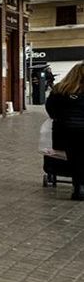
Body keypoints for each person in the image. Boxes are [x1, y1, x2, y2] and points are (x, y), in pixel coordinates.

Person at [45, 63, 84, 201]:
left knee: (74, 158)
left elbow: (50, 109)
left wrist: (61, 119)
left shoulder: (59, 89)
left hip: (64, 132)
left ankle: (79, 188)